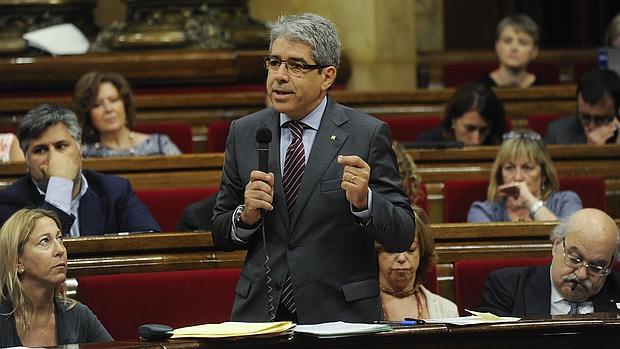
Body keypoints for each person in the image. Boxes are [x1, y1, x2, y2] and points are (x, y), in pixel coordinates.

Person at [212, 13, 415, 324]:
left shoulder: (365, 133)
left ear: (327, 76)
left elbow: (402, 233)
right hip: (261, 315)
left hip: (341, 314)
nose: (279, 75)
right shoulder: (245, 132)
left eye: (296, 66)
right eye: (274, 62)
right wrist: (246, 215)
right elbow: (220, 231)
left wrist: (365, 202)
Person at [0, 103, 160, 236]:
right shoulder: (10, 201)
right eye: (40, 150)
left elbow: (148, 239)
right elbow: (42, 246)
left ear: (80, 148)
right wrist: (60, 184)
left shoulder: (115, 190)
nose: (53, 158)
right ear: (26, 159)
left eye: (61, 146)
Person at [0, 208, 112, 347]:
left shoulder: (78, 315)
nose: (60, 250)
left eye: (60, 238)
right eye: (45, 241)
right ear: (17, 260)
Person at [478, 208, 620, 316]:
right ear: (556, 245)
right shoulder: (508, 287)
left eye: (596, 267)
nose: (582, 274)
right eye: (575, 259)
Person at [468, 130, 582, 222]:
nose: (518, 177)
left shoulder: (566, 202)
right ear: (500, 174)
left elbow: (567, 240)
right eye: (510, 168)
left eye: (527, 168)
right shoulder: (482, 211)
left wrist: (529, 201)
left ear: (544, 174)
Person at [72, 71, 181, 157]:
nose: (108, 109)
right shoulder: (83, 155)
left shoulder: (159, 145)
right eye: (97, 105)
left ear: (125, 105)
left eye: (113, 100)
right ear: (88, 114)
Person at [378, 206, 458, 320]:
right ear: (376, 253)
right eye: (391, 249)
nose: (401, 258)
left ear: (422, 252)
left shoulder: (447, 311)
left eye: (411, 249)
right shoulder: (355, 311)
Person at [545, 69, 620, 145]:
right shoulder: (557, 133)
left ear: (616, 113)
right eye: (585, 117)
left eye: (600, 119)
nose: (592, 126)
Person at [418, 83, 506, 146]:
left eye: (483, 130)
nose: (476, 141)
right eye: (469, 128)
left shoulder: (499, 143)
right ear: (453, 120)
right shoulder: (429, 144)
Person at [479, 14, 543, 88]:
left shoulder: (545, 88)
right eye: (507, 41)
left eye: (523, 43)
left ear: (534, 51)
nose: (514, 48)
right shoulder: (480, 87)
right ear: (497, 46)